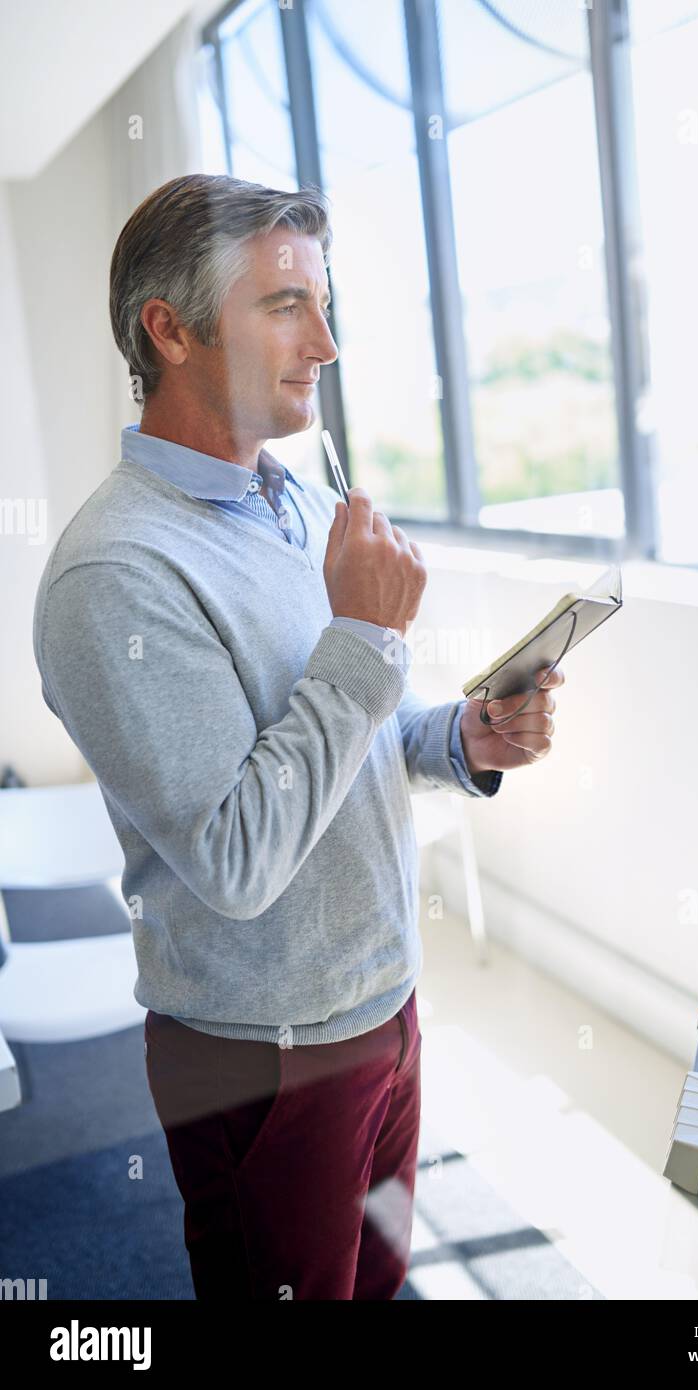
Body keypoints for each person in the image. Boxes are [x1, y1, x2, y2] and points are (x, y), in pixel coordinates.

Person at [32, 173, 564, 1300]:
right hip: (261, 1058)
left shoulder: (303, 501)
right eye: (284, 304)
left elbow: (351, 740)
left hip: (385, 1006)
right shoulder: (112, 575)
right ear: (168, 330)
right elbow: (235, 856)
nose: (325, 340)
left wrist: (464, 737)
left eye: (324, 304)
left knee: (376, 1280)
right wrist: (366, 635)